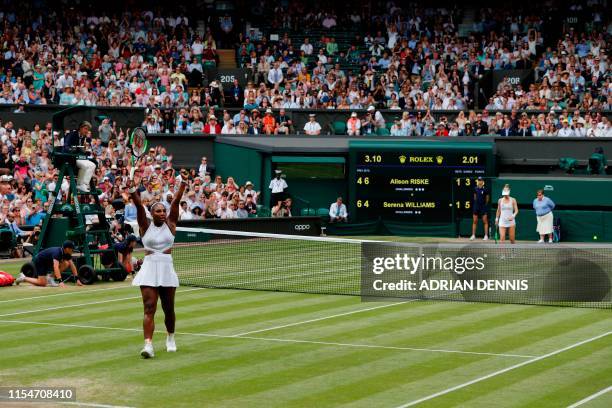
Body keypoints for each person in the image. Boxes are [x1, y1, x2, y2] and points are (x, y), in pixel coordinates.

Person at [129, 168, 188, 358]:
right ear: (152, 213)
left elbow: (177, 201)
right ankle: (148, 345)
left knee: (168, 308)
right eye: (159, 211)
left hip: (166, 268)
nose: (163, 213)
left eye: (164, 210)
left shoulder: (171, 223)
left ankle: (170, 337)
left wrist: (183, 184)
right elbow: (138, 204)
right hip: (149, 267)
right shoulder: (144, 225)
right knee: (149, 307)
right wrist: (131, 186)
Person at [15, 240, 82, 287]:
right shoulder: (57, 253)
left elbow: (72, 265)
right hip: (40, 261)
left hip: (48, 262)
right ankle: (23, 278)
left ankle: (50, 278)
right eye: (72, 249)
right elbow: (56, 267)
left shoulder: (67, 253)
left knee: (66, 264)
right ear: (67, 249)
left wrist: (77, 279)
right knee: (42, 283)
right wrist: (60, 281)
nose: (73, 250)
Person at [63, 121, 96, 192]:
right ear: (80, 128)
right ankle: (81, 184)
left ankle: (83, 185)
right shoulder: (71, 134)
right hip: (69, 158)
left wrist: (85, 152)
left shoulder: (83, 137)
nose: (87, 131)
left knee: (93, 165)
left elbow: (79, 148)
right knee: (85, 166)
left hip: (78, 157)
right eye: (85, 129)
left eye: (88, 129)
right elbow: (66, 146)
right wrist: (72, 149)